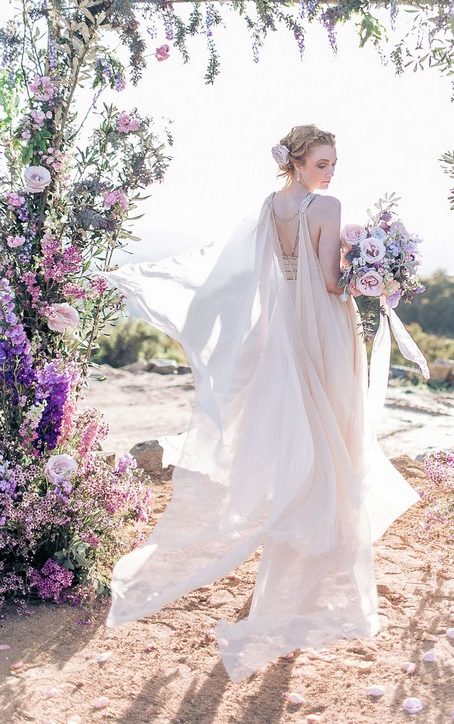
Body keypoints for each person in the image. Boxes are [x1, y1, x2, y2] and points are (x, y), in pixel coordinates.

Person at [101, 124, 426, 682]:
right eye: (322, 162)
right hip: (324, 325)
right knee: (332, 425)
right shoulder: (327, 206)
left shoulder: (271, 205)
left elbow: (271, 273)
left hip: (284, 326)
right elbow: (329, 282)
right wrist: (367, 275)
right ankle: (322, 540)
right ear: (297, 164)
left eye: (334, 162)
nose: (330, 171)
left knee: (303, 427)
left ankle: (304, 530)